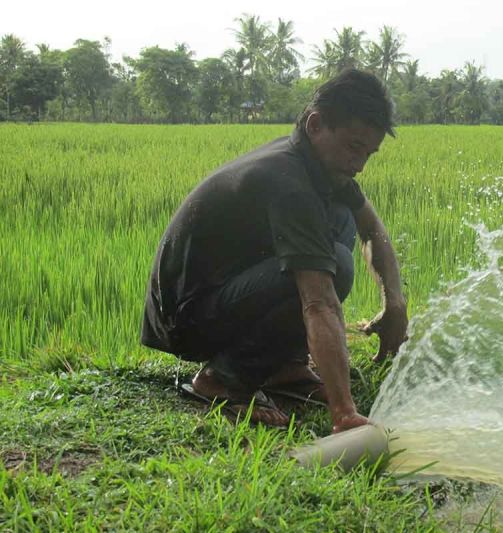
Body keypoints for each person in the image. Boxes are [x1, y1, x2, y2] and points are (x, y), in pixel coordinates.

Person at [140, 69, 408, 433]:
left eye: (368, 153)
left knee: (342, 219)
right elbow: (319, 302)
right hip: (188, 318)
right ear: (316, 125)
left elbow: (371, 227)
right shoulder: (289, 182)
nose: (359, 164)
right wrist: (344, 412)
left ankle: (286, 366)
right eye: (353, 147)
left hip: (226, 290)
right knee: (336, 265)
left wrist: (395, 303)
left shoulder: (320, 165)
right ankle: (223, 377)